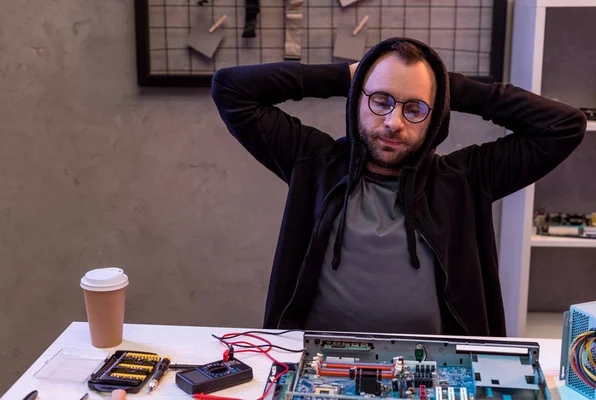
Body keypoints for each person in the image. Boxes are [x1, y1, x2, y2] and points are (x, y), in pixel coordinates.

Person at [211, 38, 586, 336]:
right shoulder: (313, 163)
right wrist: (346, 76)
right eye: (381, 100)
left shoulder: (466, 180)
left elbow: (564, 125)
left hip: (434, 375)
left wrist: (446, 85)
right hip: (318, 370)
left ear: (434, 117)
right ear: (358, 99)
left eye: (415, 109)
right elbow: (231, 90)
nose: (394, 122)